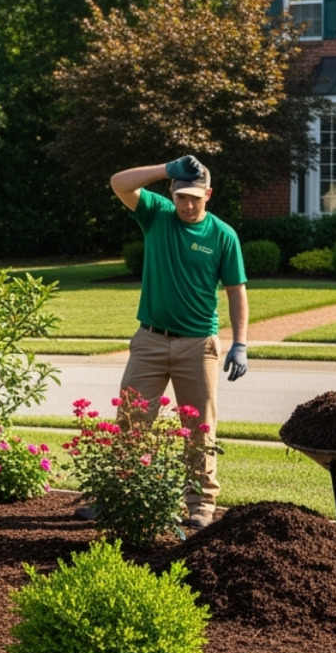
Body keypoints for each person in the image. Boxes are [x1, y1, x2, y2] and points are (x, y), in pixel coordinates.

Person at [106, 155, 249, 529]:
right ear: (172, 193)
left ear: (209, 195)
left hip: (198, 345)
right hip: (150, 341)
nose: (187, 205)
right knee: (132, 420)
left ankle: (201, 504)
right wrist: (166, 169)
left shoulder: (223, 235)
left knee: (201, 428)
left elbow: (237, 292)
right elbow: (120, 182)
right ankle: (121, 495)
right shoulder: (156, 215)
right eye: (181, 196)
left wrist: (241, 343)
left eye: (195, 198)